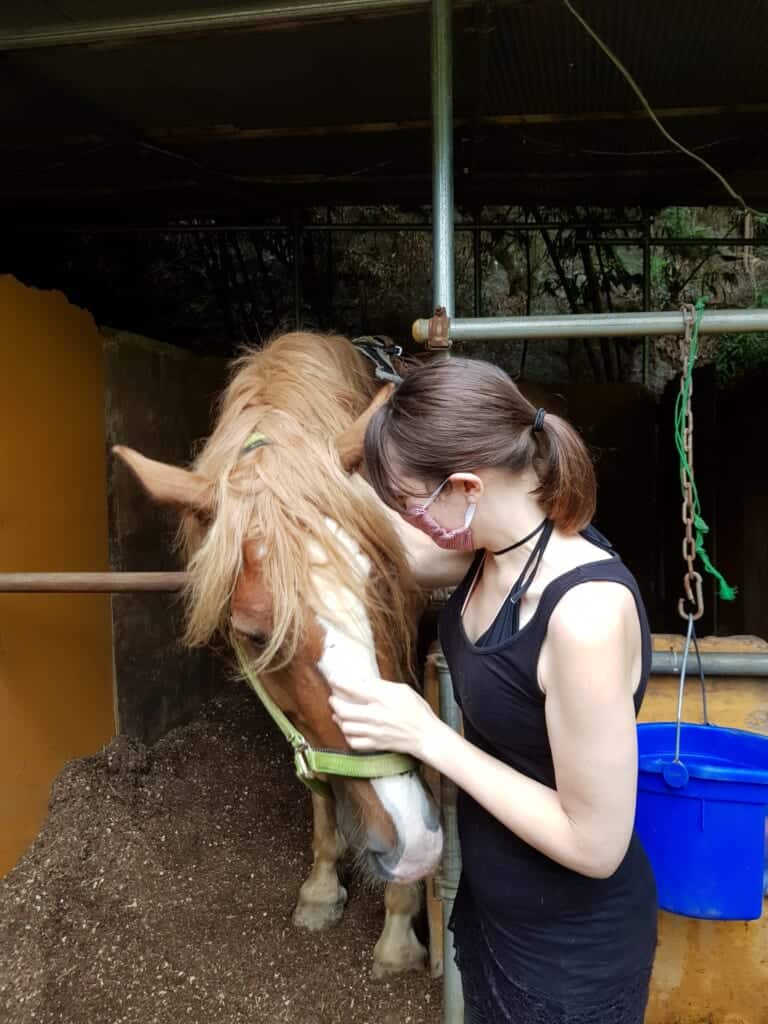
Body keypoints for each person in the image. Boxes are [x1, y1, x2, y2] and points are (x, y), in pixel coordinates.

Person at [327, 357, 658, 1024]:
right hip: (494, 917)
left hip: (571, 962)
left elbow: (597, 846)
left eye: (411, 502)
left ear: (466, 487)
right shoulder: (493, 549)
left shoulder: (583, 615)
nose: (406, 520)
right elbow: (388, 543)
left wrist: (428, 737)